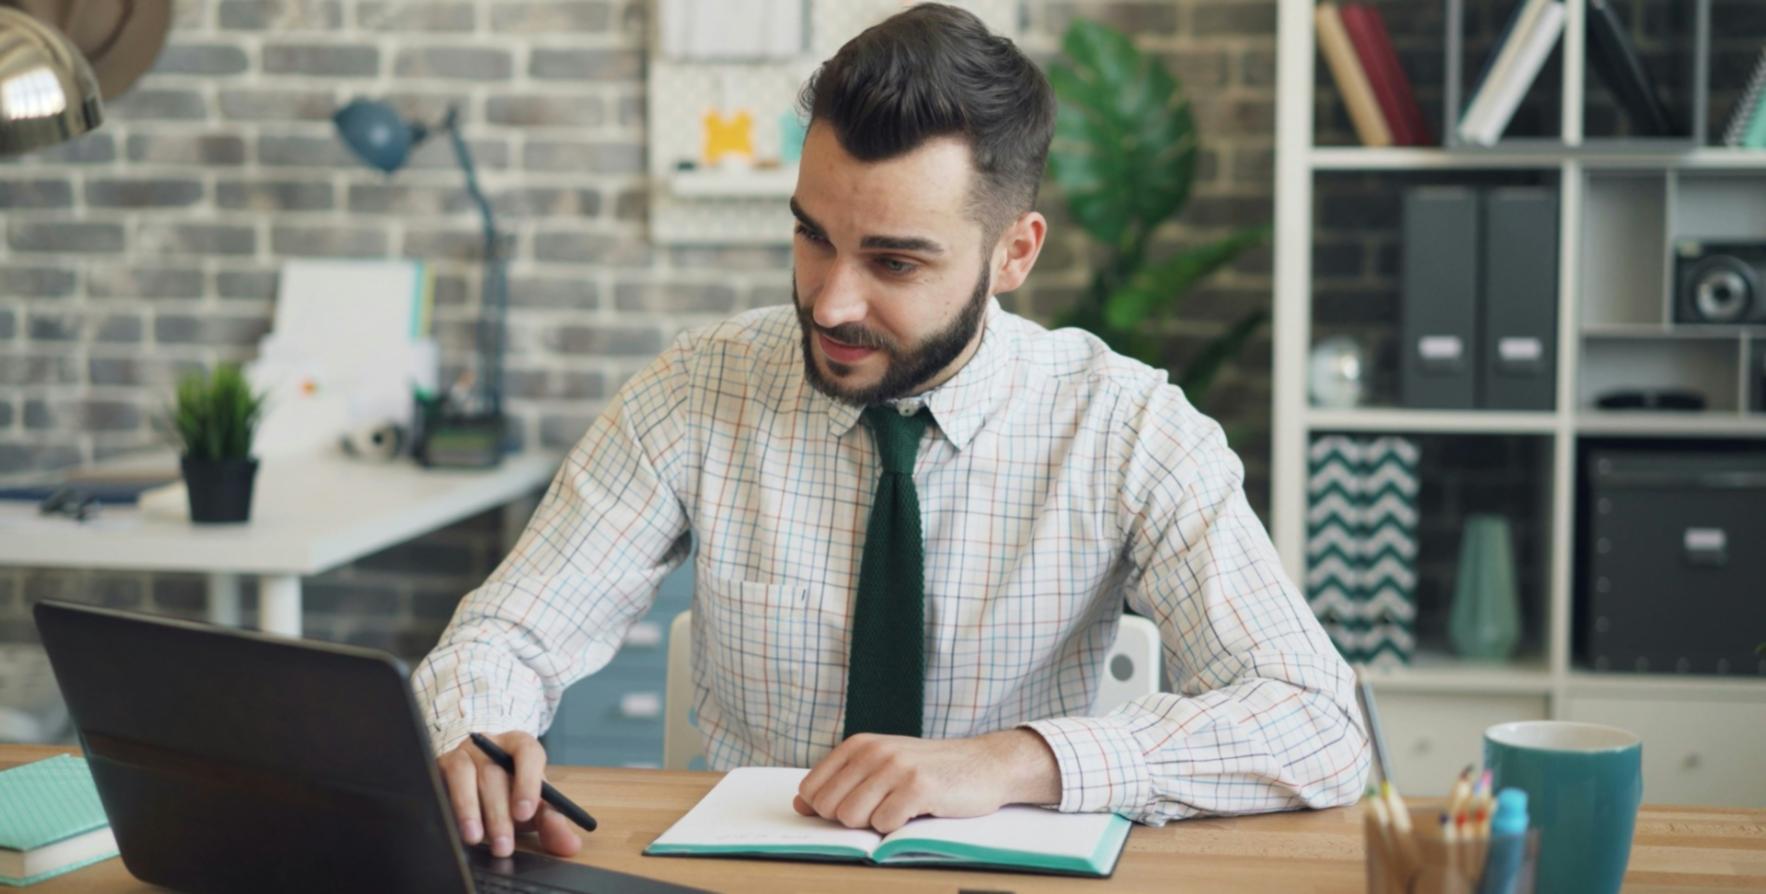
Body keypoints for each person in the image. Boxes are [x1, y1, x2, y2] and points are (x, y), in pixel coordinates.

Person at [413, 2, 1369, 861]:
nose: (831, 302)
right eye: (812, 236)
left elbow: (1317, 721)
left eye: (895, 263)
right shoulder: (697, 390)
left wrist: (1011, 762)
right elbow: (507, 637)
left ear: (1014, 254)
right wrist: (478, 733)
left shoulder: (1125, 426)